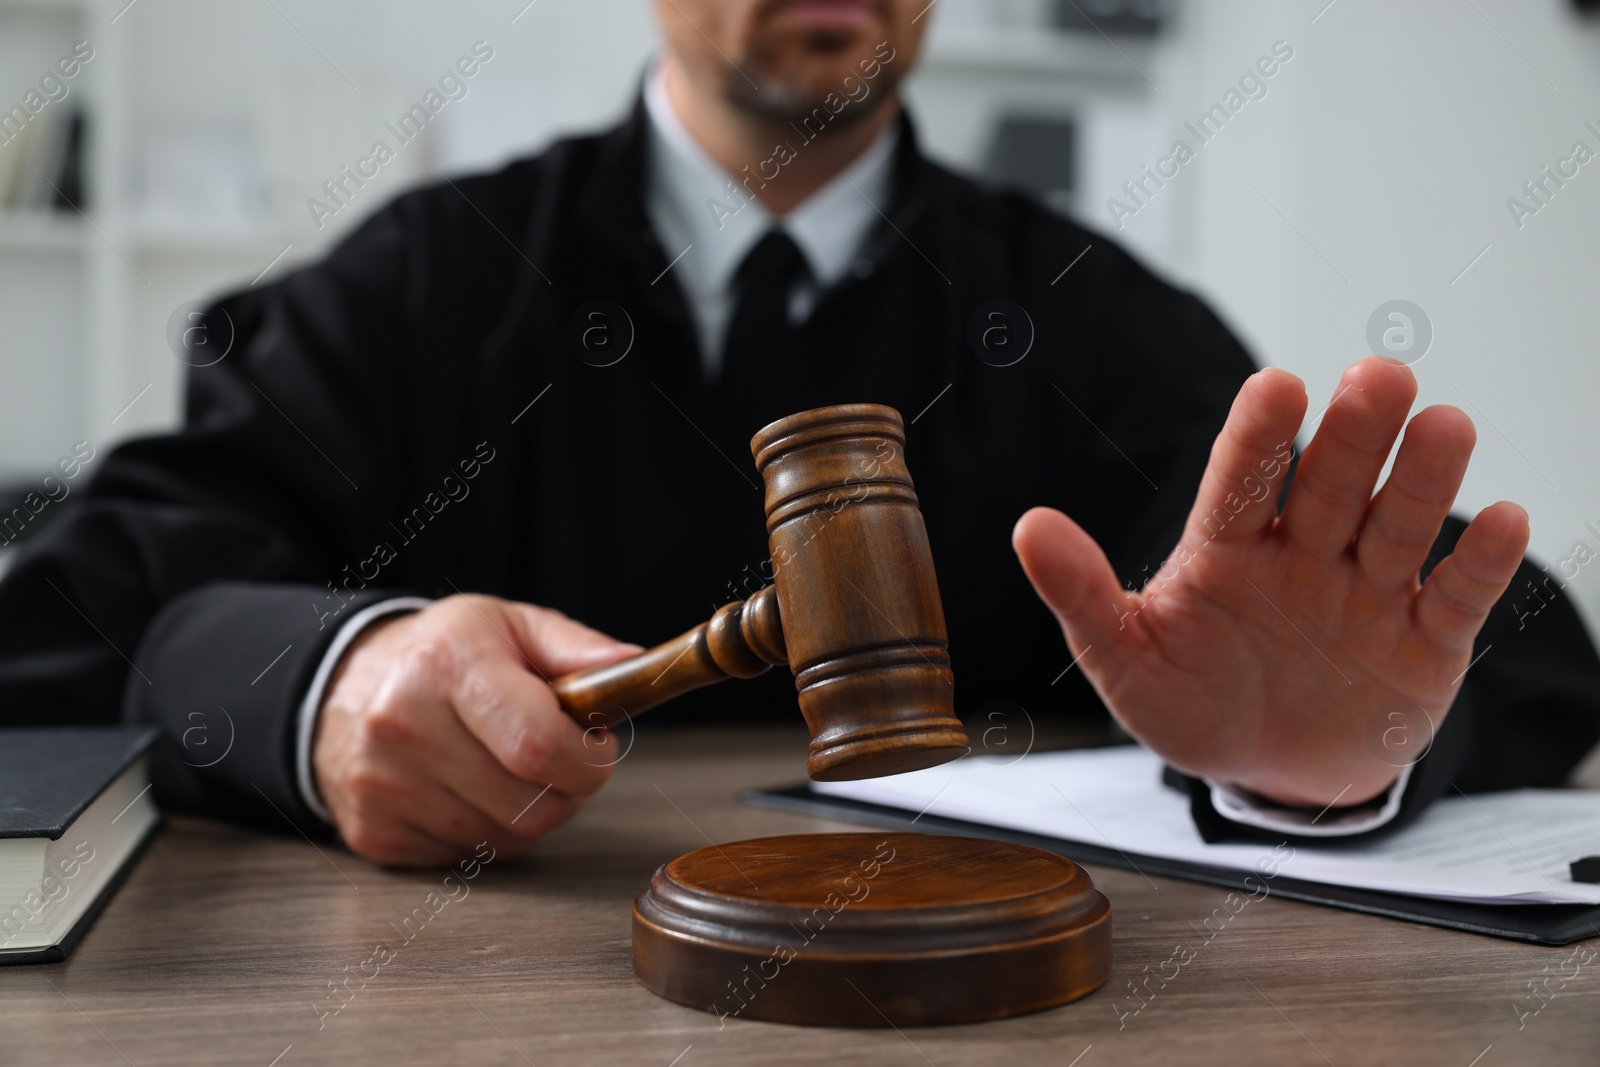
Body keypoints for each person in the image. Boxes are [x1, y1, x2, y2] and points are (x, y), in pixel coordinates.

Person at [2, 0, 1596, 866]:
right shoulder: (418, 285)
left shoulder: (1092, 318)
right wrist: (327, 682)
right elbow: (82, 613)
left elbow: (1481, 630)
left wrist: (1330, 760)